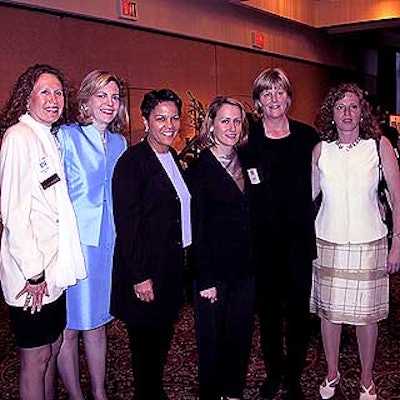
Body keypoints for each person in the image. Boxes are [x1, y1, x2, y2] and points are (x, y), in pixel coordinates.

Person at [0, 64, 86, 400]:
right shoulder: (18, 139)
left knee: (51, 347)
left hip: (53, 270)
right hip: (31, 276)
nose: (54, 99)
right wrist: (34, 274)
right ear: (27, 97)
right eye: (44, 92)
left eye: (59, 92)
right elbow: (14, 214)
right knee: (35, 359)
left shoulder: (46, 137)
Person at [310, 83, 400, 400]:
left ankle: (366, 379)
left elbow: (397, 200)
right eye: (340, 107)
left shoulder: (379, 147)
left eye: (352, 106)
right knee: (329, 314)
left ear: (362, 112)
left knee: (367, 316)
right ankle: (332, 373)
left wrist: (397, 242)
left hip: (369, 241)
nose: (347, 113)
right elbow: (305, 198)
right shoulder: (321, 150)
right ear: (330, 115)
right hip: (328, 241)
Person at [241, 67, 319, 400]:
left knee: (299, 315)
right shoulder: (248, 140)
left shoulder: (307, 137)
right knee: (270, 316)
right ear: (258, 101)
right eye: (266, 93)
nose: (274, 99)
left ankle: (294, 377)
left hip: (299, 242)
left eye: (280, 92)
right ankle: (273, 374)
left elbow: (320, 186)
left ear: (289, 97)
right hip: (262, 244)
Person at [111, 89, 191, 400]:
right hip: (146, 275)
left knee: (160, 343)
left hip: (170, 269)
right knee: (145, 350)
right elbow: (127, 226)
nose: (169, 125)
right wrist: (139, 276)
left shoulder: (171, 156)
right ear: (145, 121)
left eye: (174, 118)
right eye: (160, 118)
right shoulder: (132, 162)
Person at [56, 70, 128, 400]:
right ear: (86, 100)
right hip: (75, 243)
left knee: (98, 320)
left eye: (114, 97)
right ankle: (75, 394)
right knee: (70, 324)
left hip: (108, 243)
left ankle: (98, 392)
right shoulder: (67, 136)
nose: (109, 103)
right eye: (102, 95)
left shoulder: (119, 142)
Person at [187, 96, 254, 400]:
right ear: (211, 126)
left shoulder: (249, 161)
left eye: (237, 121)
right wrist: (205, 279)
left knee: (239, 335)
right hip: (213, 272)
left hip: (245, 269)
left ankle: (234, 390)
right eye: (224, 120)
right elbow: (197, 228)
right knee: (212, 340)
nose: (232, 127)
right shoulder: (199, 170)